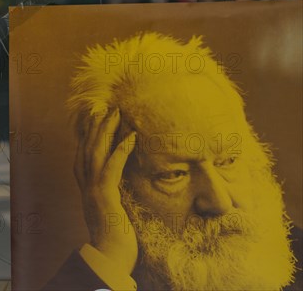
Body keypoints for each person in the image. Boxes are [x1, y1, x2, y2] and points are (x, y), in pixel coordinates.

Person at [45, 33, 302, 290]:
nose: (219, 202)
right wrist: (111, 258)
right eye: (173, 174)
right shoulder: (107, 279)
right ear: (116, 187)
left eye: (228, 160)